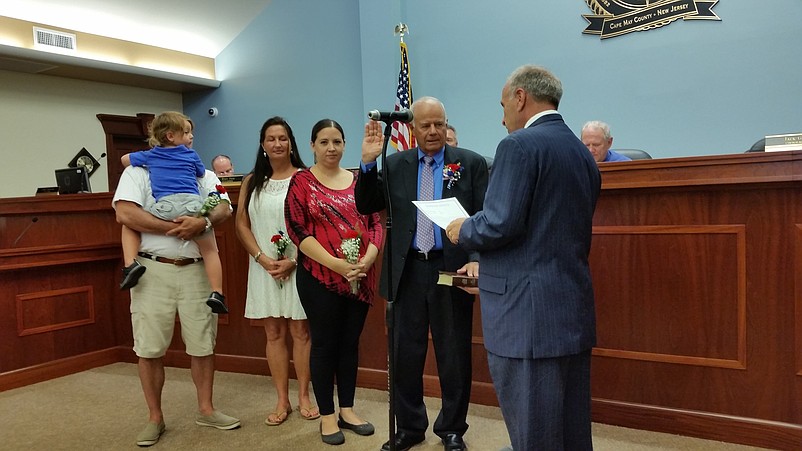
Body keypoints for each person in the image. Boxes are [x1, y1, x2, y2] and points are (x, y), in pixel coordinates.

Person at [446, 65, 601, 451]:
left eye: (503, 105)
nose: (502, 118)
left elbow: (499, 224)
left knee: (533, 433)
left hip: (525, 317)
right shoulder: (582, 153)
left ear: (520, 97)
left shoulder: (518, 146)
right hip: (569, 309)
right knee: (570, 431)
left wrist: (461, 229)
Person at [356, 96, 488, 451]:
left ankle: (452, 430)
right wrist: (368, 164)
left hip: (451, 270)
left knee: (454, 355)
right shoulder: (396, 164)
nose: (433, 131)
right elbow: (366, 205)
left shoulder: (471, 164)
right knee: (404, 355)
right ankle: (410, 427)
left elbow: (484, 217)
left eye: (439, 124)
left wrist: (475, 256)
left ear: (447, 125)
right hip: (407, 270)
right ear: (411, 129)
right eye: (426, 125)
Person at [113, 130, 240, 448]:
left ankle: (206, 409)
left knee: (202, 345)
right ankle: (155, 417)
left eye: (193, 132)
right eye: (184, 132)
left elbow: (224, 209)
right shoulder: (139, 171)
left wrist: (203, 223)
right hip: (152, 270)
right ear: (165, 138)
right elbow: (125, 213)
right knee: (150, 348)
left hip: (197, 272)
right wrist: (178, 228)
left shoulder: (203, 172)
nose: (191, 136)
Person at [285, 119, 383, 446]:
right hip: (319, 277)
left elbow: (375, 224)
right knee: (325, 344)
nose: (331, 148)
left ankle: (348, 409)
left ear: (344, 145)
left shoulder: (358, 181)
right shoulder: (302, 181)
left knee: (349, 344)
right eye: (324, 142)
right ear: (312, 145)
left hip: (360, 276)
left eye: (337, 142)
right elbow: (297, 231)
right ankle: (327, 415)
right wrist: (337, 265)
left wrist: (367, 260)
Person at [235, 117, 319, 427]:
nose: (277, 143)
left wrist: (294, 259)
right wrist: (260, 257)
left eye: (283, 138)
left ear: (291, 143)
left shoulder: (306, 178)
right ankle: (282, 399)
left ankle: (304, 396)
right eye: (271, 138)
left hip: (300, 264)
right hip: (263, 266)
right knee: (273, 333)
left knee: (301, 332)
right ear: (263, 145)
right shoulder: (251, 180)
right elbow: (242, 224)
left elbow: (313, 224)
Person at [119, 111, 228, 314]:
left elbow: (124, 159)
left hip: (165, 207)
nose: (192, 136)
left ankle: (129, 263)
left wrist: (149, 159)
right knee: (211, 249)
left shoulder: (150, 157)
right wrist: (194, 225)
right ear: (171, 135)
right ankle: (218, 292)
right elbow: (200, 172)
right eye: (186, 132)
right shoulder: (191, 156)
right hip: (193, 207)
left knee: (131, 224)